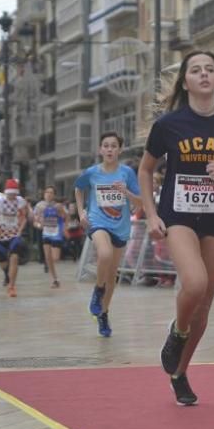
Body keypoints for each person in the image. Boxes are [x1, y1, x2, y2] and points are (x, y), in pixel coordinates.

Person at [138, 50, 214, 406]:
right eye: (195, 70)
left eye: (210, 70)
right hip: (179, 215)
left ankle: (179, 372)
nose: (203, 75)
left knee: (204, 305)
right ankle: (178, 331)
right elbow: (145, 169)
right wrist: (151, 213)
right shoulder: (169, 125)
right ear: (185, 81)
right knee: (195, 283)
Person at [75, 132, 143, 337]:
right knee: (104, 254)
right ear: (100, 150)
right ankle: (97, 291)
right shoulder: (92, 172)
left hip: (120, 227)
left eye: (114, 146)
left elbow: (140, 202)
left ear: (120, 150)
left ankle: (103, 314)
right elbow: (78, 188)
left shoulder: (127, 173)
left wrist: (127, 193)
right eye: (106, 145)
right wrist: (81, 212)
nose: (110, 149)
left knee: (112, 276)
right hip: (97, 221)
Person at [0, 179, 31, 298]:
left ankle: (12, 286)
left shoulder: (20, 202)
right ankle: (7, 274)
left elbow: (24, 216)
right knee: (2, 261)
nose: (12, 196)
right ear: (6, 192)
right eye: (10, 193)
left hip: (14, 233)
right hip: (0, 233)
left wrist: (20, 229)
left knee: (14, 257)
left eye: (14, 194)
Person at [34, 187, 69, 290]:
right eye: (47, 192)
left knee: (55, 258)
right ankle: (55, 279)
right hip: (46, 234)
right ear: (44, 194)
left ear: (54, 195)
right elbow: (34, 220)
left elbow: (66, 217)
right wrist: (39, 225)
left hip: (56, 234)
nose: (48, 194)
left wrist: (64, 228)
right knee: (48, 258)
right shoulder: (40, 206)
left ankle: (55, 276)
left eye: (51, 193)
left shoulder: (58, 206)